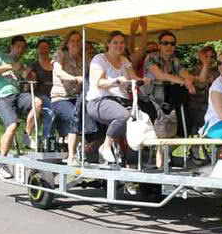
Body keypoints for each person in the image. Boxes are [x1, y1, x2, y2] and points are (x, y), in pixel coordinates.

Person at [86, 30, 150, 163]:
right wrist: (116, 80)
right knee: (123, 116)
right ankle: (106, 145)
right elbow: (99, 83)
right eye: (115, 42)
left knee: (142, 120)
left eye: (121, 43)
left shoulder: (124, 60)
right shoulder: (99, 59)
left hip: (120, 101)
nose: (119, 45)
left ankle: (136, 159)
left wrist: (144, 79)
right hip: (99, 101)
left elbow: (133, 78)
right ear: (108, 44)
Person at [142, 30, 199, 166]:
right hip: (151, 101)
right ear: (159, 45)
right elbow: (160, 75)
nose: (169, 46)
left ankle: (162, 156)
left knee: (184, 128)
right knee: (160, 134)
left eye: (172, 44)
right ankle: (157, 159)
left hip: (170, 101)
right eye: (165, 43)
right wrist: (183, 81)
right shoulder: (151, 58)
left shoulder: (175, 61)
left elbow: (185, 74)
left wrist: (188, 81)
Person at [0, 35, 43, 165]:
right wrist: (10, 67)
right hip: (1, 98)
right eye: (18, 47)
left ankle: (26, 136)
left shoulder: (20, 64)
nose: (20, 50)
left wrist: (29, 77)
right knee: (12, 126)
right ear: (11, 46)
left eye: (23, 48)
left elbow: (23, 84)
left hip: (17, 95)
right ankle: (2, 161)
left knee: (38, 102)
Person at [51, 31, 87, 165]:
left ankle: (91, 151)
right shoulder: (60, 54)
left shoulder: (82, 58)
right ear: (67, 42)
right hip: (60, 98)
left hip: (77, 98)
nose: (76, 43)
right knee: (75, 116)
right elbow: (58, 72)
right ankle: (71, 156)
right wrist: (75, 79)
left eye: (78, 40)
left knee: (92, 116)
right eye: (73, 40)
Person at [24, 39, 54, 142]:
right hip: (41, 95)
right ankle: (47, 140)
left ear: (49, 49)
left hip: (56, 94)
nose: (44, 50)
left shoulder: (55, 64)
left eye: (46, 48)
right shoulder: (34, 66)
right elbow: (30, 85)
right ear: (37, 50)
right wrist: (30, 76)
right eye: (41, 48)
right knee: (50, 109)